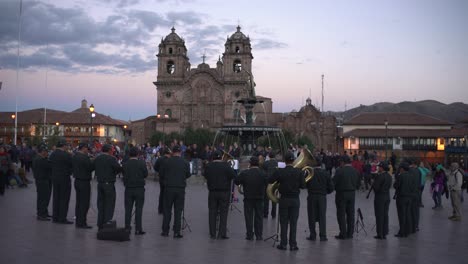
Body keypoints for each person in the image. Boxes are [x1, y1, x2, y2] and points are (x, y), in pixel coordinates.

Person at [268, 152, 305, 251]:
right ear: (293, 160)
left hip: (284, 199)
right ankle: (293, 244)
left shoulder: (280, 171)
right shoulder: (299, 171)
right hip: (295, 200)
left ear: (284, 161)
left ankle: (283, 244)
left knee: (283, 222)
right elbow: (303, 186)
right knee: (293, 222)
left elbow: (270, 180)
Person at [204, 150, 236, 239]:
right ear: (221, 157)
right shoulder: (226, 165)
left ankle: (212, 233)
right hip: (224, 192)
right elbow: (234, 175)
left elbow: (205, 175)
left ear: (213, 157)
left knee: (212, 212)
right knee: (224, 213)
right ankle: (222, 233)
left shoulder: (208, 166)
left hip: (212, 192)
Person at [161, 145, 191, 238]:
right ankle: (177, 232)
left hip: (168, 188)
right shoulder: (185, 162)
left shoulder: (167, 161)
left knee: (167, 210)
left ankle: (165, 231)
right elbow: (188, 174)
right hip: (180, 189)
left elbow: (161, 174)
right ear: (180, 152)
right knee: (178, 211)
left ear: (172, 152)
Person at [235, 156, 267, 241]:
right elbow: (267, 182)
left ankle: (249, 235)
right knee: (259, 217)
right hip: (259, 198)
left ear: (250, 163)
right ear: (258, 164)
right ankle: (259, 235)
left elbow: (236, 181)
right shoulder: (262, 173)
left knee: (249, 217)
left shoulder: (245, 173)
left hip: (248, 198)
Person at [306, 157, 334, 241]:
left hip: (312, 196)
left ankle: (312, 235)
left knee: (311, 216)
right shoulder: (326, 173)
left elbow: (304, 184)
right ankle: (323, 235)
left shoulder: (309, 173)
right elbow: (331, 187)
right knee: (322, 216)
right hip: (322, 197)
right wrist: (325, 192)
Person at [94, 144, 122, 230]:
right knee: (109, 204)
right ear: (109, 150)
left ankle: (100, 223)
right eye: (112, 150)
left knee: (101, 204)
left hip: (100, 183)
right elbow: (118, 168)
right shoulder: (112, 159)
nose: (113, 151)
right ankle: (107, 224)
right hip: (109, 184)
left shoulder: (97, 158)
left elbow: (93, 167)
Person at [333, 155, 359, 240]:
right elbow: (358, 185)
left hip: (341, 194)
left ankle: (343, 233)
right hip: (352, 194)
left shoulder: (339, 171)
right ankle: (350, 233)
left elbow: (334, 183)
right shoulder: (355, 171)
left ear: (343, 162)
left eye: (340, 162)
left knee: (341, 214)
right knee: (351, 214)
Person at [123, 146, 148, 235]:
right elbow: (145, 174)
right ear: (138, 154)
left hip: (129, 188)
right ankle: (138, 229)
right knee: (139, 209)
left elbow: (124, 174)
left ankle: (127, 227)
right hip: (139, 189)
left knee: (128, 209)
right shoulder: (142, 163)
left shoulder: (126, 164)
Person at [49, 139, 73, 224]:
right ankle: (62, 218)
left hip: (55, 178)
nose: (67, 146)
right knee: (64, 198)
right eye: (66, 145)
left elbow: (50, 165)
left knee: (56, 197)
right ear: (64, 146)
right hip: (64, 178)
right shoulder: (66, 155)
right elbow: (71, 165)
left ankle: (55, 217)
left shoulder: (53, 154)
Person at [72, 142, 95, 228]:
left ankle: (78, 221)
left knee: (78, 202)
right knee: (84, 203)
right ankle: (82, 222)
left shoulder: (75, 156)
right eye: (86, 149)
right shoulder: (84, 157)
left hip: (77, 181)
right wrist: (94, 161)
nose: (87, 150)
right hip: (84, 181)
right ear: (83, 148)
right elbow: (90, 167)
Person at [394, 162, 415, 238]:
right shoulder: (412, 176)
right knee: (408, 214)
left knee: (401, 215)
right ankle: (407, 231)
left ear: (402, 169)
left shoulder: (401, 176)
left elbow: (395, 186)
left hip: (401, 198)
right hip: (409, 198)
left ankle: (402, 232)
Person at [372, 161, 392, 239]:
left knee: (379, 215)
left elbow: (376, 188)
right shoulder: (389, 176)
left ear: (382, 168)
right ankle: (385, 232)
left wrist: (373, 184)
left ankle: (379, 233)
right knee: (385, 215)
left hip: (380, 197)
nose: (378, 168)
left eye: (379, 167)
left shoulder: (380, 176)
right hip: (387, 196)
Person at [32, 145, 52, 220]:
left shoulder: (36, 158)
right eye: (46, 152)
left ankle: (43, 212)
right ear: (43, 152)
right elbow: (49, 166)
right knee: (44, 198)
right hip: (43, 180)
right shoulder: (41, 160)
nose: (47, 153)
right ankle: (41, 214)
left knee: (42, 198)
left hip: (39, 180)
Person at [154, 148, 171, 215]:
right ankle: (165, 209)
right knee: (167, 195)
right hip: (168, 179)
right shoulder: (170, 160)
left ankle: (160, 209)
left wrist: (159, 171)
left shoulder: (160, 159)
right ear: (168, 154)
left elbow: (155, 167)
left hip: (161, 178)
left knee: (161, 193)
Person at [262, 151, 278, 218]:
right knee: (274, 199)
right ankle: (273, 214)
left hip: (267, 182)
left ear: (269, 156)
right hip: (275, 183)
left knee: (266, 199)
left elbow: (263, 169)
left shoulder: (266, 163)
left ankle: (265, 214)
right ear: (274, 156)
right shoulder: (277, 163)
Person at [408, 158, 421, 232]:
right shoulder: (418, 171)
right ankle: (416, 226)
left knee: (412, 211)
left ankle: (412, 226)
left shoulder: (411, 171)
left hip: (412, 193)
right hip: (417, 193)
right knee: (416, 210)